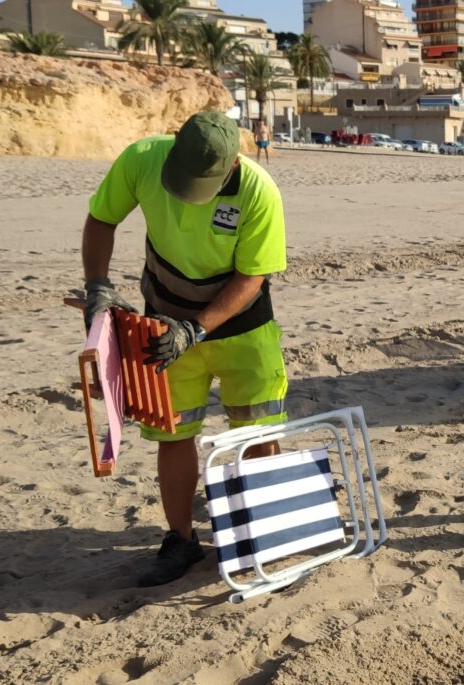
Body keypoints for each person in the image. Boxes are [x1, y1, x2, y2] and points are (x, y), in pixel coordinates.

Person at [81, 110, 289, 586]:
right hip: (163, 325)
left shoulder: (259, 191)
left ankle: (260, 529)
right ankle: (181, 540)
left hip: (243, 330)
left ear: (231, 166)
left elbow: (252, 277)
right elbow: (101, 219)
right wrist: (97, 286)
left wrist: (196, 330)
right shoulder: (141, 160)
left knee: (254, 432)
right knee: (173, 434)